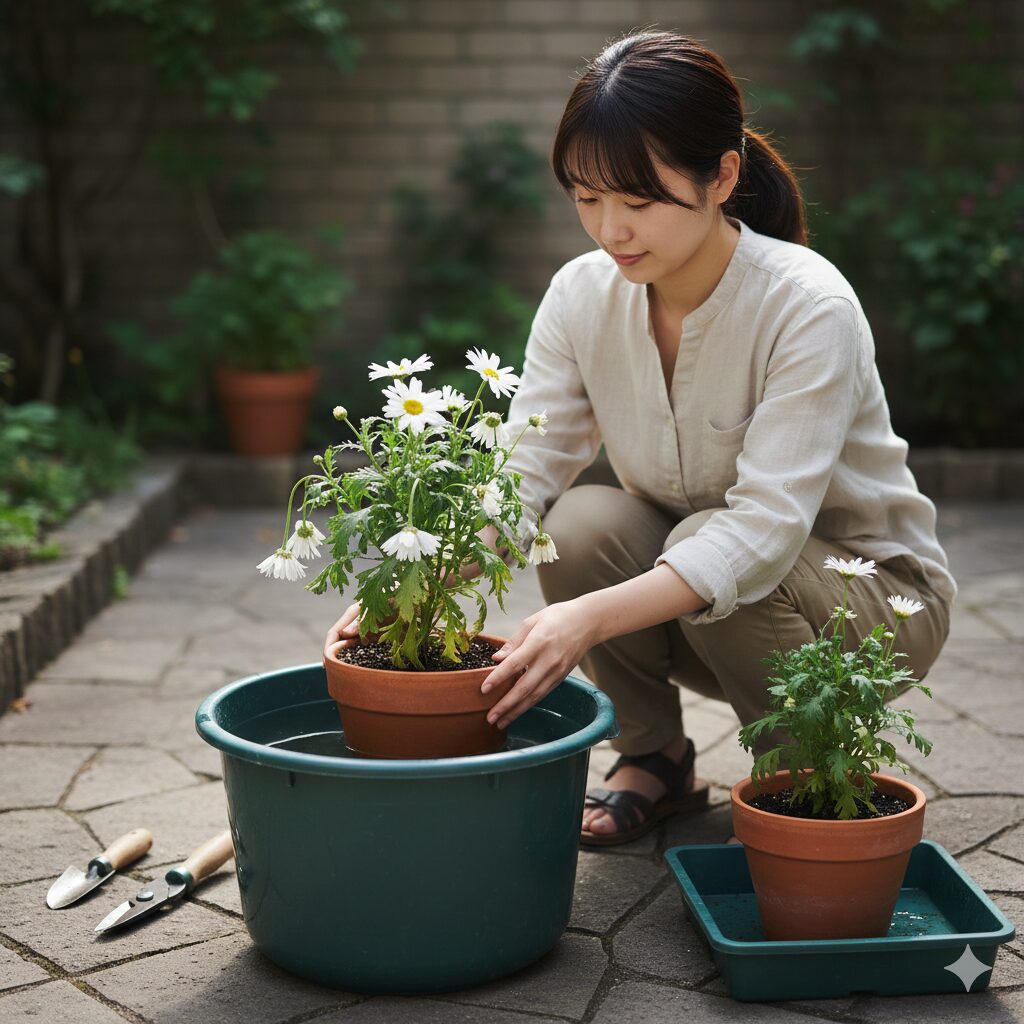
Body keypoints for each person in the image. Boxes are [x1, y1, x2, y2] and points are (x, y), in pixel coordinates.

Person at [327, 31, 955, 847]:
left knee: (709, 540)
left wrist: (583, 622)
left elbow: (761, 534)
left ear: (721, 175)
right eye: (586, 197)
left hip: (870, 608)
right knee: (578, 525)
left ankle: (804, 784)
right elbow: (527, 468)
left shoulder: (806, 306)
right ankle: (653, 756)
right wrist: (421, 587)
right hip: (712, 614)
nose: (610, 229)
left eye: (639, 198)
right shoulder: (583, 296)